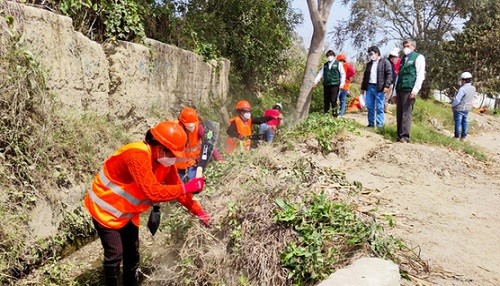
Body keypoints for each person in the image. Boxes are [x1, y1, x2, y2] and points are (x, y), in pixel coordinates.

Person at [83, 121, 208, 286]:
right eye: (171, 154)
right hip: (105, 209)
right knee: (115, 253)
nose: (173, 159)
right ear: (159, 146)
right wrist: (187, 186)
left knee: (133, 253)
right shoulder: (137, 155)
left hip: (127, 212)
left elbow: (179, 192)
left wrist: (199, 211)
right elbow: (152, 191)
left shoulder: (165, 163)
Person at [175, 107, 223, 182]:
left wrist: (219, 158)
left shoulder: (198, 127)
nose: (192, 127)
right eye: (189, 125)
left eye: (193, 124)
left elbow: (209, 143)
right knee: (179, 184)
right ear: (182, 122)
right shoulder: (176, 129)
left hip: (192, 163)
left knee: (193, 182)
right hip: (178, 165)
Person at [393, 39, 426, 143]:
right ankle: (399, 136)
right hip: (400, 88)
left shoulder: (418, 57)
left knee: (406, 113)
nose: (405, 48)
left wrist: (415, 90)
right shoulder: (403, 59)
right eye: (404, 46)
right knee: (399, 113)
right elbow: (398, 76)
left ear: (413, 47)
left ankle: (405, 137)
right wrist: (394, 92)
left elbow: (420, 75)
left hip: (409, 88)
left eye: (408, 46)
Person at [360, 46, 392, 128]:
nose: (370, 55)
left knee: (379, 107)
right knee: (370, 105)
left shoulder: (385, 62)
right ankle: (371, 123)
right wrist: (363, 88)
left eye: (372, 54)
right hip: (369, 86)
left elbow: (389, 74)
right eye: (369, 54)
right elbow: (365, 77)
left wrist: (387, 86)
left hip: (379, 87)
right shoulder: (369, 64)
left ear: (377, 53)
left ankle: (380, 125)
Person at [313, 50, 346, 117]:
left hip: (335, 85)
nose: (329, 57)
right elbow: (320, 74)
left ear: (334, 56)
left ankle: (334, 116)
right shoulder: (325, 65)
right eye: (328, 56)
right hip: (326, 85)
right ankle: (326, 115)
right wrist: (315, 81)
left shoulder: (338, 64)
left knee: (333, 100)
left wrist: (342, 84)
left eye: (330, 56)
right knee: (326, 101)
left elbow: (343, 74)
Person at [451, 72, 476, 140]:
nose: (461, 81)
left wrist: (453, 105)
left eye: (461, 80)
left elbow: (457, 99)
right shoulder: (473, 88)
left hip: (460, 108)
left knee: (458, 122)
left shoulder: (462, 89)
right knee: (465, 122)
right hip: (467, 108)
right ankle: (463, 137)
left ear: (464, 80)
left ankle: (456, 136)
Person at [386, 48, 401, 114]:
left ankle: (385, 108)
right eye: (396, 57)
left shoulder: (392, 63)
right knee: (385, 97)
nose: (397, 59)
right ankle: (381, 108)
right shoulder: (387, 63)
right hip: (387, 83)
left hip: (392, 82)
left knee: (388, 97)